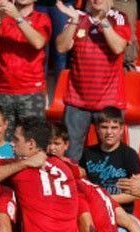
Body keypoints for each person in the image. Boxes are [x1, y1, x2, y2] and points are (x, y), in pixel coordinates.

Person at [55, 0, 130, 161]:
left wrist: (103, 22)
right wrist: (74, 21)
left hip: (109, 101)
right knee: (70, 155)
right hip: (77, 101)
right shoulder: (77, 17)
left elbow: (118, 47)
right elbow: (61, 47)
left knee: (112, 155)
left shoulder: (118, 18)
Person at [79, 107, 140, 232]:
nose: (109, 132)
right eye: (105, 127)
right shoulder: (87, 154)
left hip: (120, 218)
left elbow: (138, 190)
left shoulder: (129, 155)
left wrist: (106, 200)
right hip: (93, 217)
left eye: (114, 127)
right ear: (97, 129)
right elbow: (80, 186)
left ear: (122, 130)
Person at [0, 0, 51, 137]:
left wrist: (18, 18)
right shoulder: (3, 19)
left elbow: (38, 43)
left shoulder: (41, 18)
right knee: (3, 141)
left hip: (31, 91)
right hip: (3, 91)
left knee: (33, 140)